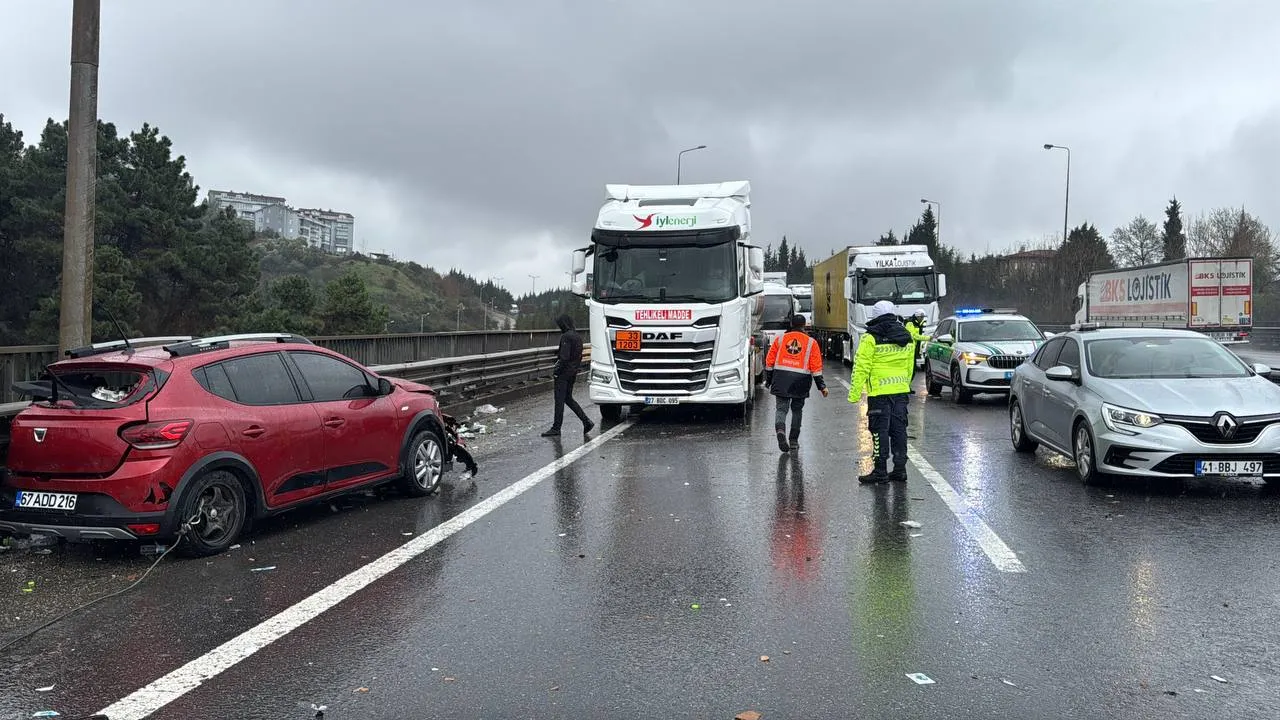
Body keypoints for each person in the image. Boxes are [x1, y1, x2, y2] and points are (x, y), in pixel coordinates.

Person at [848, 300, 914, 483]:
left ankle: (880, 471)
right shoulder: (906, 335)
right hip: (900, 392)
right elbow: (910, 366)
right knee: (899, 430)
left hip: (879, 394)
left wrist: (854, 394)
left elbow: (861, 367)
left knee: (879, 432)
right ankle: (900, 469)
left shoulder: (870, 337)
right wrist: (904, 384)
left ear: (875, 316)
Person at [765, 314, 828, 452]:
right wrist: (821, 386)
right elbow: (816, 367)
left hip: (781, 378)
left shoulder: (780, 339)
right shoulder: (811, 342)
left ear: (791, 324)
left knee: (781, 409)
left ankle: (780, 431)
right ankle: (793, 440)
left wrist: (768, 380)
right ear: (804, 325)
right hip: (801, 380)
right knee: (797, 410)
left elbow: (770, 361)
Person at [542, 314, 595, 437]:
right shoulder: (577, 336)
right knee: (568, 399)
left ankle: (556, 428)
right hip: (573, 372)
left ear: (563, 324)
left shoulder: (566, 336)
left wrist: (556, 370)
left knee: (559, 400)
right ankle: (586, 421)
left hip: (563, 374)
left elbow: (564, 357)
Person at [904, 310, 930, 379]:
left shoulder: (919, 323)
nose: (922, 318)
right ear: (917, 316)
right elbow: (914, 336)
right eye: (921, 317)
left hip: (915, 348)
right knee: (910, 369)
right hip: (910, 349)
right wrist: (928, 338)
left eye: (923, 317)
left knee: (913, 369)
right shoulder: (910, 324)